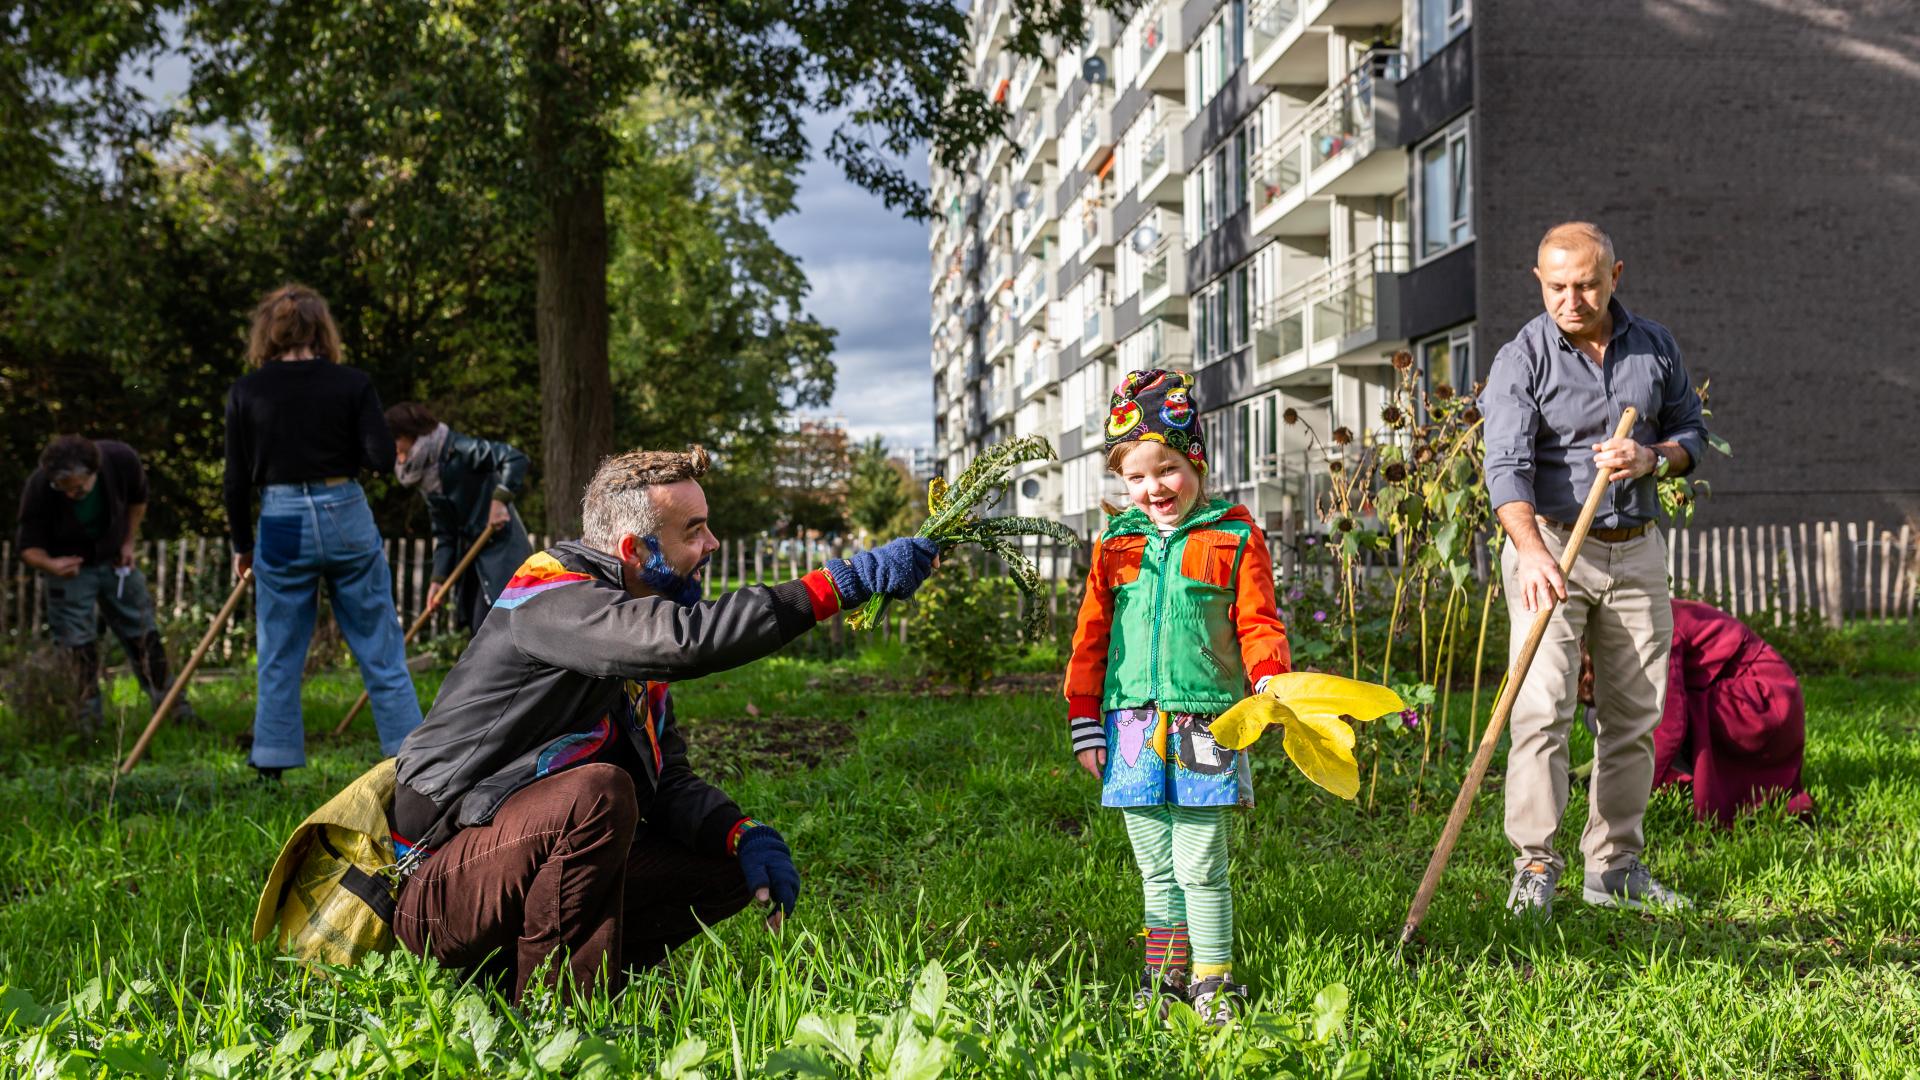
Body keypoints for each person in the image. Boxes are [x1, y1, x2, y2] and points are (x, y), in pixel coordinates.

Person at [389, 446, 939, 1004]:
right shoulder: (549, 599)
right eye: (694, 530)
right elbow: (687, 641)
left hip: (512, 864)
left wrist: (739, 832)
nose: (712, 544)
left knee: (721, 863)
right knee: (597, 795)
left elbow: (667, 781)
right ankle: (550, 1018)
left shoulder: (625, 638)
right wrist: (835, 586)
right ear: (635, 550)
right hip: (432, 891)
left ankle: (518, 981)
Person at [1482, 222, 1710, 918]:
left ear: (1616, 275)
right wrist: (1532, 552)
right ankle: (1535, 863)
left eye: (1585, 284)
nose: (1571, 299)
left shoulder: (1654, 345)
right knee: (1542, 708)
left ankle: (1613, 867)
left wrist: (1653, 458)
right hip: (1549, 547)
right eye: (1557, 286)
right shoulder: (1522, 359)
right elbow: (1506, 469)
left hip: (1635, 547)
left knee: (1634, 716)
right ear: (1539, 280)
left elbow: (1690, 434)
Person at [1063, 369, 1290, 1026]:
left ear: (1195, 462)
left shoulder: (1233, 538)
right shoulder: (1115, 545)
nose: (1154, 488)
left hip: (1205, 721)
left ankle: (1213, 978)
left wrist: (1268, 677)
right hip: (1130, 724)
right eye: (1136, 476)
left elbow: (1258, 622)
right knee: (1154, 866)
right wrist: (1085, 720)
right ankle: (1163, 974)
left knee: (1200, 858)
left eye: (1167, 469)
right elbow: (1091, 637)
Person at [223, 284, 422, 778]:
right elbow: (379, 458)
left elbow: (234, 479)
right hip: (344, 512)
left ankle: (270, 764)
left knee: (279, 650)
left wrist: (242, 546)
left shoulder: (247, 390)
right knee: (380, 645)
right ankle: (416, 766)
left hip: (282, 518)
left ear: (269, 330)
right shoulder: (351, 383)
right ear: (321, 330)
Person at [14, 435, 194, 734]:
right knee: (76, 646)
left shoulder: (122, 460)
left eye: (79, 488)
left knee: (145, 635)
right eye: (64, 489)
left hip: (115, 563)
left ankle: (175, 711)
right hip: (70, 572)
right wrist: (52, 565)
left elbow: (138, 500)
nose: (71, 494)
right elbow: (28, 548)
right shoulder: (40, 487)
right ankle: (87, 725)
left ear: (95, 472)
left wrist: (127, 542)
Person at [1580, 600, 1814, 825]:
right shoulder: (1632, 619)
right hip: (1761, 699)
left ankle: (1693, 785)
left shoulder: (1651, 626)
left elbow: (1670, 727)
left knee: (1640, 711)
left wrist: (1623, 796)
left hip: (1764, 702)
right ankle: (1663, 778)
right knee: (1599, 714)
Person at [384, 402, 533, 632]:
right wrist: (438, 579)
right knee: (480, 633)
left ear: (408, 435)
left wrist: (499, 500)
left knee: (498, 632)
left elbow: (514, 459)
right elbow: (445, 534)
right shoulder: (427, 476)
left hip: (501, 555)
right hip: (473, 562)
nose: (394, 450)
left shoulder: (459, 449)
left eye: (395, 441)